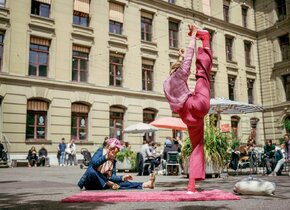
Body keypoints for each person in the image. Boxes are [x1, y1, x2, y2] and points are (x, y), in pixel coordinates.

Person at [163, 24, 212, 193]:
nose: (187, 73)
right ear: (178, 69)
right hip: (195, 104)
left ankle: (191, 185)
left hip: (186, 116)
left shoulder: (166, 84)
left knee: (197, 145)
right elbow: (189, 59)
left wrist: (179, 57)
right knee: (202, 74)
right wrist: (193, 37)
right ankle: (205, 39)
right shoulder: (180, 74)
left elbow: (174, 103)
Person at [77, 137, 156, 190]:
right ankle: (108, 183)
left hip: (102, 184)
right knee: (92, 170)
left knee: (122, 183)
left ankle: (146, 184)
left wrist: (122, 178)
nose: (118, 151)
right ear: (110, 147)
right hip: (91, 183)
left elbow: (112, 176)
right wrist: (106, 157)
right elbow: (93, 163)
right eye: (117, 148)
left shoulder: (113, 160)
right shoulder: (100, 151)